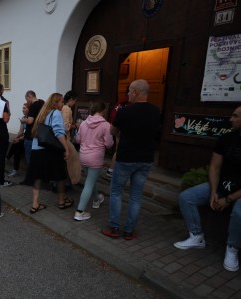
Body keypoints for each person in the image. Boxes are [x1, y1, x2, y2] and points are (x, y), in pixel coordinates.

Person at [173, 106, 241, 272]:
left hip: (239, 192)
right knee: (186, 197)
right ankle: (196, 236)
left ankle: (232, 249)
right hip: (222, 185)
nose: (230, 119)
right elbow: (215, 167)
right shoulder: (226, 138)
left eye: (235, 116)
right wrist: (213, 192)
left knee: (239, 213)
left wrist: (229, 198)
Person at [101, 79, 160, 240]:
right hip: (146, 159)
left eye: (129, 91)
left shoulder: (125, 111)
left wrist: (123, 131)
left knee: (116, 192)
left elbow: (113, 130)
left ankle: (114, 228)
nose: (127, 94)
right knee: (135, 196)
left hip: (126, 157)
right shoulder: (156, 111)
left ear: (135, 92)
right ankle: (129, 230)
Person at [26, 93, 73, 213]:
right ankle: (61, 202)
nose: (63, 104)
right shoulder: (56, 113)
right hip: (50, 150)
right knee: (60, 176)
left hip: (37, 149)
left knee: (37, 176)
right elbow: (58, 132)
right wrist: (66, 148)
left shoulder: (42, 113)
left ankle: (35, 204)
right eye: (61, 102)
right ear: (56, 103)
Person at [73, 102, 114, 221]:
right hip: (95, 157)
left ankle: (96, 199)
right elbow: (109, 144)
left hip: (83, 155)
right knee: (89, 183)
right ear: (102, 111)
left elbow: (77, 139)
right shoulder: (106, 125)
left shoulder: (84, 123)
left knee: (91, 180)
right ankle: (79, 212)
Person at [107, 86, 131, 177]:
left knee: (118, 149)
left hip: (117, 127)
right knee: (120, 150)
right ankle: (112, 169)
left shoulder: (121, 102)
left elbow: (114, 114)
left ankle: (112, 169)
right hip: (124, 129)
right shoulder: (129, 103)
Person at [61, 90, 81, 185]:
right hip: (65, 139)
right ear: (71, 99)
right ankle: (71, 181)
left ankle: (67, 181)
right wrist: (76, 125)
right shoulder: (67, 109)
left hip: (64, 138)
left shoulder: (63, 107)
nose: (75, 103)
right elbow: (65, 127)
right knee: (73, 160)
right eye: (75, 101)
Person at [20, 90, 44, 165]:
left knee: (30, 159)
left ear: (29, 97)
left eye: (27, 99)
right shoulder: (42, 103)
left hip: (31, 136)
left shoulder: (33, 106)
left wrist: (23, 120)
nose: (27, 102)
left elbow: (30, 121)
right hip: (40, 135)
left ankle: (31, 175)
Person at [6, 102, 30, 178]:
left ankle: (8, 159)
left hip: (29, 139)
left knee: (17, 145)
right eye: (22, 108)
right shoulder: (23, 117)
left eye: (24, 108)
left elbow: (28, 134)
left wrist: (19, 139)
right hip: (24, 138)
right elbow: (21, 131)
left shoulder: (31, 119)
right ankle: (11, 164)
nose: (22, 110)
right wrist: (16, 137)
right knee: (16, 143)